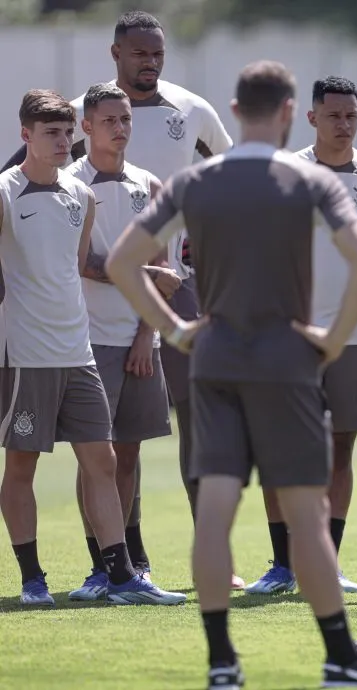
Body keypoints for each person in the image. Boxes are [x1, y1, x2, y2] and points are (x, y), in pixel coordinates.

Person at [106, 60, 357, 689]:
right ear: (292, 112)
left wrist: (177, 331)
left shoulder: (194, 180)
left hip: (212, 358)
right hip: (285, 359)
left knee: (215, 510)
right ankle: (341, 656)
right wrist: (328, 338)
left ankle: (222, 664)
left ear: (235, 111)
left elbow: (124, 261)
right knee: (306, 512)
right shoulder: (308, 182)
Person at [2, 11, 237, 588]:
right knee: (72, 456)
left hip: (151, 320)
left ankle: (167, 563)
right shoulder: (60, 156)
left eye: (157, 52)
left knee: (158, 441)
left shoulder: (182, 126)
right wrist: (136, 275)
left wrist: (152, 321)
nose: (150, 61)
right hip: (69, 335)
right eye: (138, 53)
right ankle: (88, 568)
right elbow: (64, 246)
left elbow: (222, 185)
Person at [0, 89, 183, 607]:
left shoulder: (80, 197)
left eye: (65, 133)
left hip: (77, 352)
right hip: (26, 356)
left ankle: (121, 575)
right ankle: (32, 580)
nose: (63, 142)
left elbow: (73, 269)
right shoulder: (5, 193)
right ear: (26, 137)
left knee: (103, 462)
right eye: (51, 133)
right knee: (21, 466)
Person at [245, 75, 357, 597]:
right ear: (310, 118)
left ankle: (326, 562)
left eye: (351, 114)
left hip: (355, 336)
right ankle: (284, 564)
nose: (344, 123)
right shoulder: (285, 174)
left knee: (339, 451)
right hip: (289, 336)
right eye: (333, 115)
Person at [65, 83, 185, 600]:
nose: (120, 128)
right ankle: (101, 568)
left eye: (126, 120)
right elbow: (81, 267)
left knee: (129, 455)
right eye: (109, 120)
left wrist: (146, 334)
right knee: (95, 459)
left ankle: (131, 564)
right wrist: (134, 270)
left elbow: (167, 271)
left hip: (139, 340)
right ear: (87, 126)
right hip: (86, 340)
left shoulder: (149, 185)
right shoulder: (69, 184)